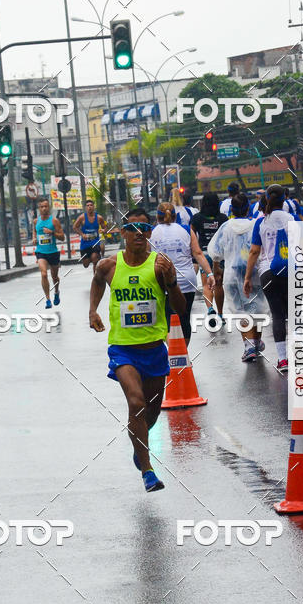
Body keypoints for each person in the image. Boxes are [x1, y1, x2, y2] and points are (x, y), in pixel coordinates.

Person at [89, 208, 186, 492]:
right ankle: (148, 471)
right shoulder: (109, 266)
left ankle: (138, 444)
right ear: (123, 233)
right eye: (133, 228)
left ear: (150, 233)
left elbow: (181, 310)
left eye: (144, 227)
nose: (139, 233)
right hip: (123, 351)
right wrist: (92, 310)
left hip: (154, 349)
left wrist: (171, 283)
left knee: (152, 413)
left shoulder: (160, 267)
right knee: (136, 403)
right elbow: (97, 282)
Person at [208, 193, 268, 362]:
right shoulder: (256, 224)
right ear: (248, 208)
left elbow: (215, 253)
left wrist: (216, 271)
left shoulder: (225, 227)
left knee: (240, 309)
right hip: (254, 272)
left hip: (232, 275)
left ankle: (249, 346)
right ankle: (255, 341)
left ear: (231, 210)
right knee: (257, 307)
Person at [243, 184, 294, 371]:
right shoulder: (293, 219)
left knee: (278, 314)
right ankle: (299, 357)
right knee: (294, 315)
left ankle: (282, 360)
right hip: (291, 271)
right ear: (284, 199)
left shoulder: (261, 223)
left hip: (267, 273)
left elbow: (254, 251)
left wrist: (248, 277)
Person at [150, 201, 214, 344]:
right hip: (187, 280)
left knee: (168, 318)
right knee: (184, 317)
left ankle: (174, 353)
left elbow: (148, 259)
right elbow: (197, 253)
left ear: (157, 217)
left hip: (163, 281)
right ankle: (183, 353)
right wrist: (209, 274)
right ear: (175, 216)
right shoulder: (185, 229)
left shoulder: (152, 232)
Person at [191, 192, 228, 315]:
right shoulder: (223, 218)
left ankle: (210, 309)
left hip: (204, 254)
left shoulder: (197, 218)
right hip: (219, 255)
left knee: (206, 284)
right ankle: (221, 314)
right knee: (218, 284)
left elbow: (191, 234)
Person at [34, 197, 65, 308]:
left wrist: (52, 232)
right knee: (43, 274)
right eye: (42, 207)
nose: (44, 208)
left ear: (49, 207)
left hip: (53, 252)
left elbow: (62, 237)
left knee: (55, 277)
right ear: (39, 208)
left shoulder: (54, 221)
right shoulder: (36, 221)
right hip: (41, 252)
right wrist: (34, 238)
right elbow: (35, 231)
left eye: (46, 206)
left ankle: (56, 292)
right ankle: (47, 299)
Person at [73, 198, 107, 272]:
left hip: (95, 242)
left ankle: (96, 278)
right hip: (85, 244)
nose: (89, 207)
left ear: (94, 207)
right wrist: (82, 234)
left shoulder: (99, 218)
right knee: (86, 264)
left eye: (91, 205)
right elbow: (75, 227)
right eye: (88, 205)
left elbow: (105, 227)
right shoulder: (82, 217)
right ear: (85, 207)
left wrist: (103, 230)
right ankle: (92, 257)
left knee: (95, 259)